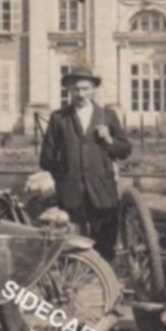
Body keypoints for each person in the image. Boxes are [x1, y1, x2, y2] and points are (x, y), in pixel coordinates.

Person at [39, 68, 132, 258]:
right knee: (71, 247)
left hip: (102, 189)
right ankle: (76, 284)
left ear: (93, 90)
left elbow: (125, 150)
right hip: (71, 193)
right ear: (69, 91)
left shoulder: (107, 116)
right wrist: (65, 176)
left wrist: (109, 141)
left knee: (106, 243)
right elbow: (46, 158)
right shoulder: (59, 118)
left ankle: (105, 283)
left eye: (85, 89)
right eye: (76, 90)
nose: (80, 94)